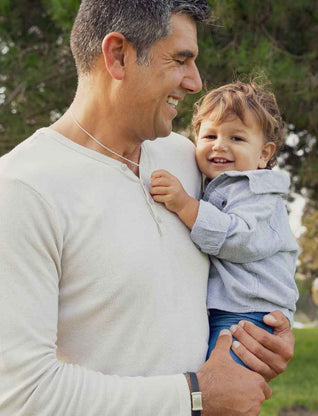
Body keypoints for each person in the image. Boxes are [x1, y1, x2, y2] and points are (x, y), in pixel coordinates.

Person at [0, 1, 295, 415]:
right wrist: (195, 396)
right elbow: (21, 397)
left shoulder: (191, 161)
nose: (195, 82)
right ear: (118, 55)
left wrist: (268, 333)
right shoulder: (22, 189)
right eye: (181, 60)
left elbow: (256, 248)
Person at [150, 81, 299, 368]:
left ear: (264, 154)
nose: (220, 145)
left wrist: (185, 205)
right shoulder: (221, 185)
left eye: (237, 139)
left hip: (251, 314)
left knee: (222, 386)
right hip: (231, 310)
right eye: (209, 136)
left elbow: (240, 238)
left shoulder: (258, 191)